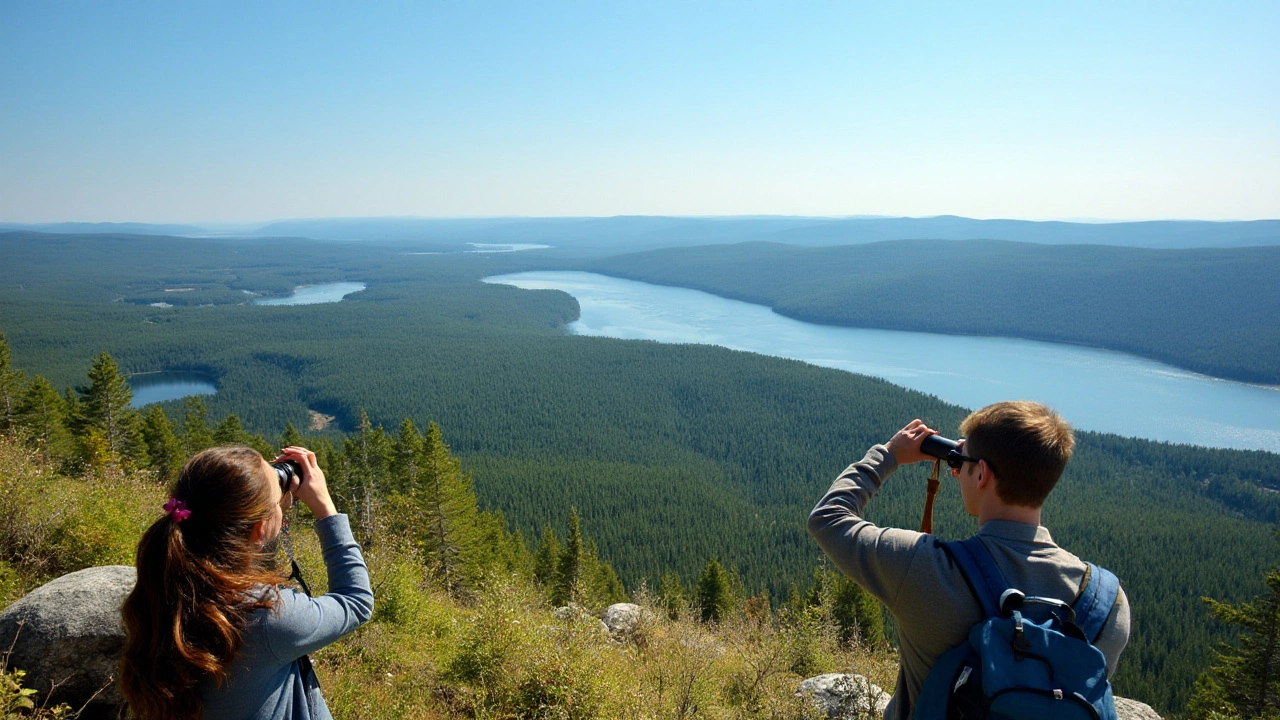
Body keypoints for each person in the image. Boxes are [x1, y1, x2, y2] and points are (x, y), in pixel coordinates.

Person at [808, 401, 1129, 720]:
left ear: (982, 474)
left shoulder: (925, 568)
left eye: (965, 459)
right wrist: (974, 455)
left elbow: (828, 518)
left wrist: (889, 455)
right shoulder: (1108, 604)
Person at [120, 445, 373, 720]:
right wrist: (325, 508)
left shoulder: (165, 590)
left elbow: (240, 563)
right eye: (277, 501)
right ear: (259, 529)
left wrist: (269, 510)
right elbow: (356, 602)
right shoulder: (266, 617)